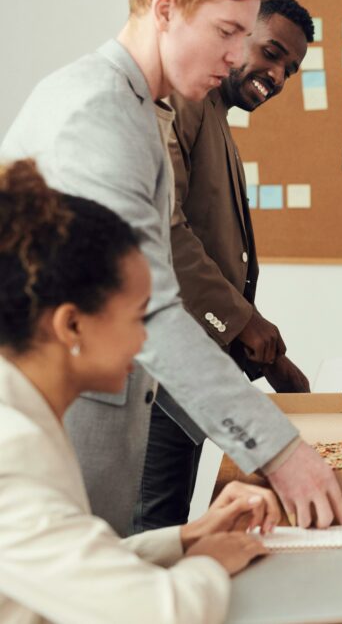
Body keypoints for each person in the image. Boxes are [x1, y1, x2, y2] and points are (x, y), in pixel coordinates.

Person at [0, 0, 342, 537]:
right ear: (165, 10)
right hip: (63, 432)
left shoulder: (141, 106)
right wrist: (280, 452)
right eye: (228, 32)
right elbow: (152, 305)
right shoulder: (98, 114)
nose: (238, 55)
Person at [0, 159, 279, 624]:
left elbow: (78, 567)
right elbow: (160, 613)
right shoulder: (15, 448)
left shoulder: (24, 414)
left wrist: (187, 539)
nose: (147, 341)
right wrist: (209, 562)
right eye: (137, 318)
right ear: (72, 324)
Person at [140, 0, 314, 530]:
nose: (279, 76)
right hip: (156, 378)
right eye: (271, 53)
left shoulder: (216, 114)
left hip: (193, 369)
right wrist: (242, 320)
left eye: (291, 67)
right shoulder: (185, 103)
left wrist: (261, 353)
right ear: (237, 36)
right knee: (152, 529)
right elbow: (164, 228)